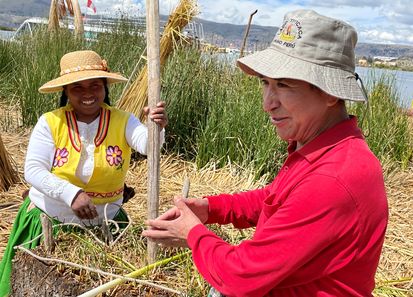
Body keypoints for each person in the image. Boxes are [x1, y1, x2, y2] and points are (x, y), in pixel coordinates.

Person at [143, 9, 388, 297]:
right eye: (265, 83)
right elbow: (276, 199)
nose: (268, 104)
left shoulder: (332, 178)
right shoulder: (321, 149)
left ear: (330, 93)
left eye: (283, 85)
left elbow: (239, 277)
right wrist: (211, 208)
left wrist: (193, 234)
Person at [0, 50, 168, 296]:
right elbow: (33, 170)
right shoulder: (50, 122)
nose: (88, 93)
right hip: (50, 221)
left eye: (95, 86)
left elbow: (148, 146)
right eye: (77, 87)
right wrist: (71, 194)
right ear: (66, 91)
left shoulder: (123, 120)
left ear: (105, 88)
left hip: (106, 225)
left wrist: (156, 126)